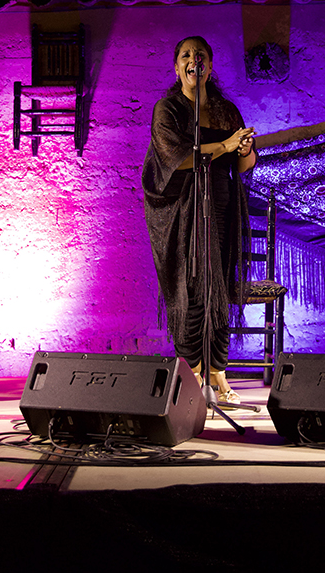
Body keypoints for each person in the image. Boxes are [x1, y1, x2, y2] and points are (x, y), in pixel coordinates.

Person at [142, 36, 256, 404]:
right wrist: (224, 146)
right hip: (184, 208)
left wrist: (244, 149)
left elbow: (244, 167)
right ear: (177, 68)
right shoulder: (169, 109)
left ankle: (219, 373)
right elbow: (176, 157)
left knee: (219, 284)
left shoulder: (226, 110)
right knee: (191, 285)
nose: (195, 60)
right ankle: (191, 371)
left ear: (210, 65)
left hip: (221, 204)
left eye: (201, 54)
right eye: (186, 55)